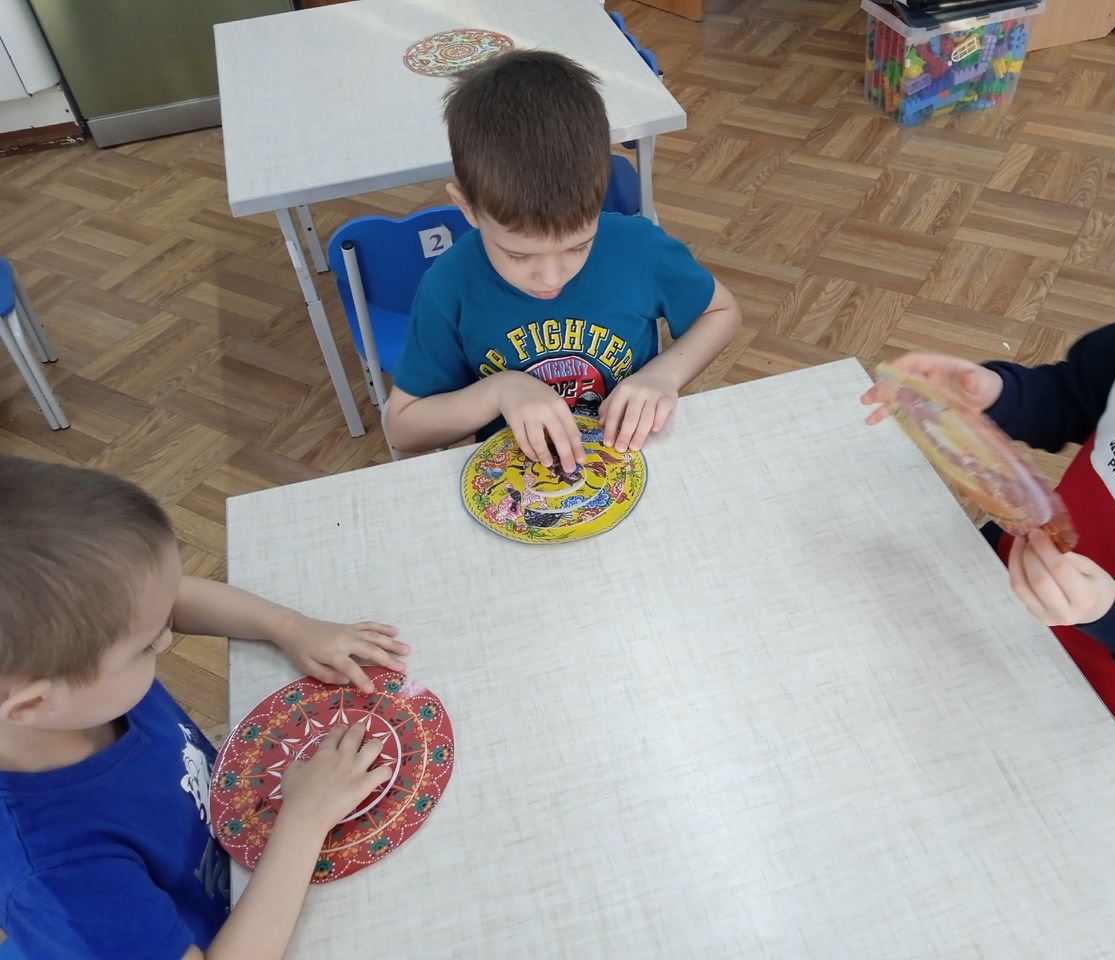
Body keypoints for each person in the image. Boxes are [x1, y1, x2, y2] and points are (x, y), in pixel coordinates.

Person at [861, 77, 1115, 748]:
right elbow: (1080, 393)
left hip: (1111, 688)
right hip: (1005, 575)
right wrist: (992, 392)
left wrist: (1113, 614)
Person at [0, 454, 410, 960]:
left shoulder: (73, 693)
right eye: (148, 644)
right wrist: (304, 820)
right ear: (31, 703)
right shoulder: (58, 876)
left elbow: (164, 602)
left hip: (250, 848)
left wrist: (290, 627)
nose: (168, 636)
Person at [384, 50, 742, 469]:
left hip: (635, 463)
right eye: (518, 254)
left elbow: (722, 312)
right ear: (468, 208)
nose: (551, 278)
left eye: (578, 246)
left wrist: (663, 375)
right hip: (518, 484)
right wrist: (498, 392)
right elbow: (403, 428)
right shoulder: (450, 285)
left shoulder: (638, 248)